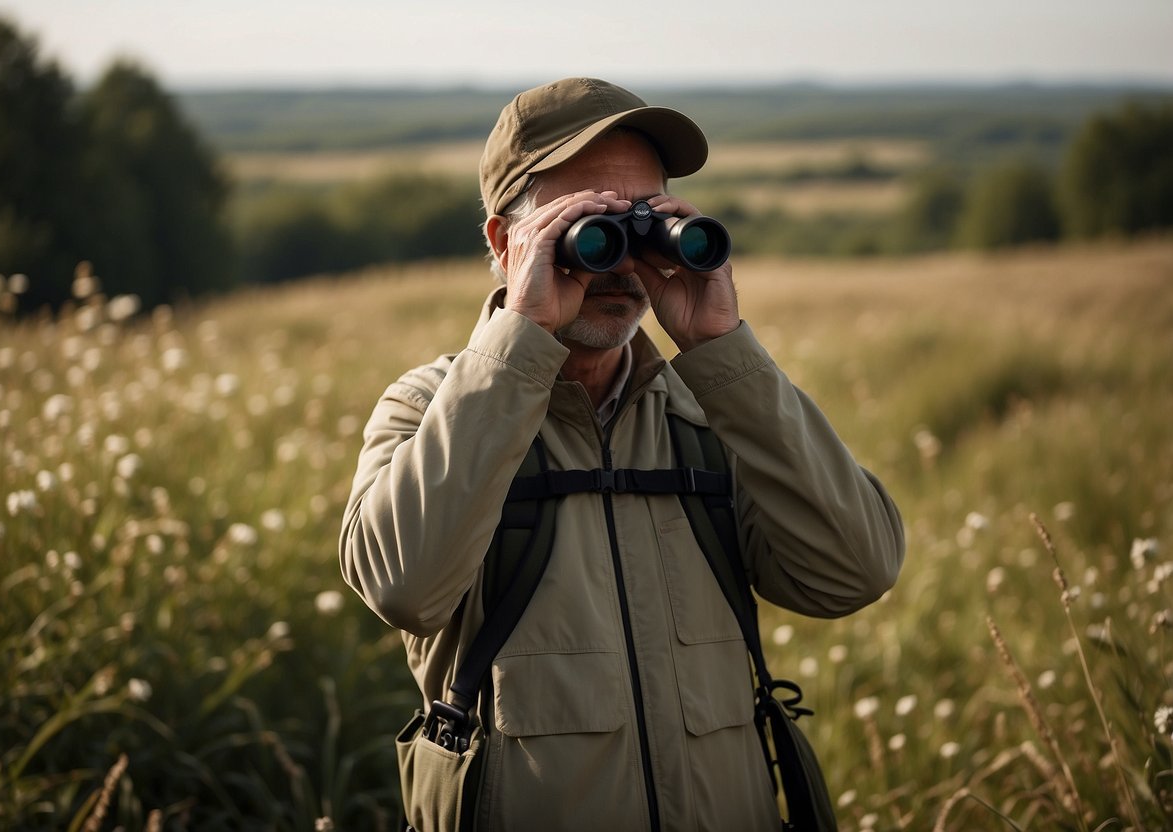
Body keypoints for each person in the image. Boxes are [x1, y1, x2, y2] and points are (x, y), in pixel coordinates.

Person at [339, 77, 905, 831]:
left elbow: (853, 572)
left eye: (641, 221)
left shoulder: (708, 415)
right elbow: (401, 585)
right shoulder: (428, 411)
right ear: (504, 242)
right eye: (583, 223)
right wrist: (520, 341)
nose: (618, 260)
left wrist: (719, 349)